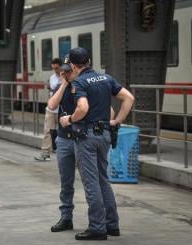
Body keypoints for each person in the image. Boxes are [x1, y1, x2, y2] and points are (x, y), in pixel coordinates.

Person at [60, 47, 135, 240]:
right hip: (105, 135)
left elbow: (83, 107)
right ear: (89, 61)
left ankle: (97, 227)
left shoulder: (79, 82)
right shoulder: (106, 78)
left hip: (87, 137)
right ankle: (112, 224)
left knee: (91, 182)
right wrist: (117, 121)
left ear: (74, 66)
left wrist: (69, 119)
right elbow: (129, 98)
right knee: (103, 180)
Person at [47, 56, 77, 232]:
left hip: (83, 139)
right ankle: (66, 217)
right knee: (66, 183)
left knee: (91, 182)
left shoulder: (85, 85)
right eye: (62, 70)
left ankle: (97, 220)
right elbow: (51, 105)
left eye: (67, 70)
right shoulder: (62, 86)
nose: (64, 73)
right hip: (64, 138)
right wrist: (64, 84)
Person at [34, 58, 62, 161]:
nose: (55, 70)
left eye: (57, 68)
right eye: (53, 68)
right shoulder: (52, 77)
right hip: (51, 109)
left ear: (61, 66)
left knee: (65, 132)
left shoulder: (67, 77)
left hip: (62, 109)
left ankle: (68, 155)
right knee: (47, 131)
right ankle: (45, 153)